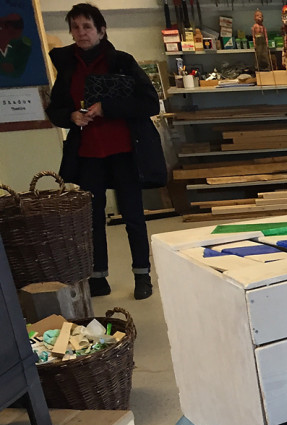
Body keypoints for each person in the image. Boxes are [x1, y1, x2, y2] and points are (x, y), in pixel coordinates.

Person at [45, 3, 166, 300]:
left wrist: (107, 107)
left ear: (101, 31)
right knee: (93, 219)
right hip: (89, 154)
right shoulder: (68, 66)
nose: (81, 33)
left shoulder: (122, 62)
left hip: (124, 151)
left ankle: (142, 275)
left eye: (87, 26)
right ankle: (98, 278)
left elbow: (149, 103)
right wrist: (71, 116)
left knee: (133, 215)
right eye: (75, 27)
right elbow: (56, 109)